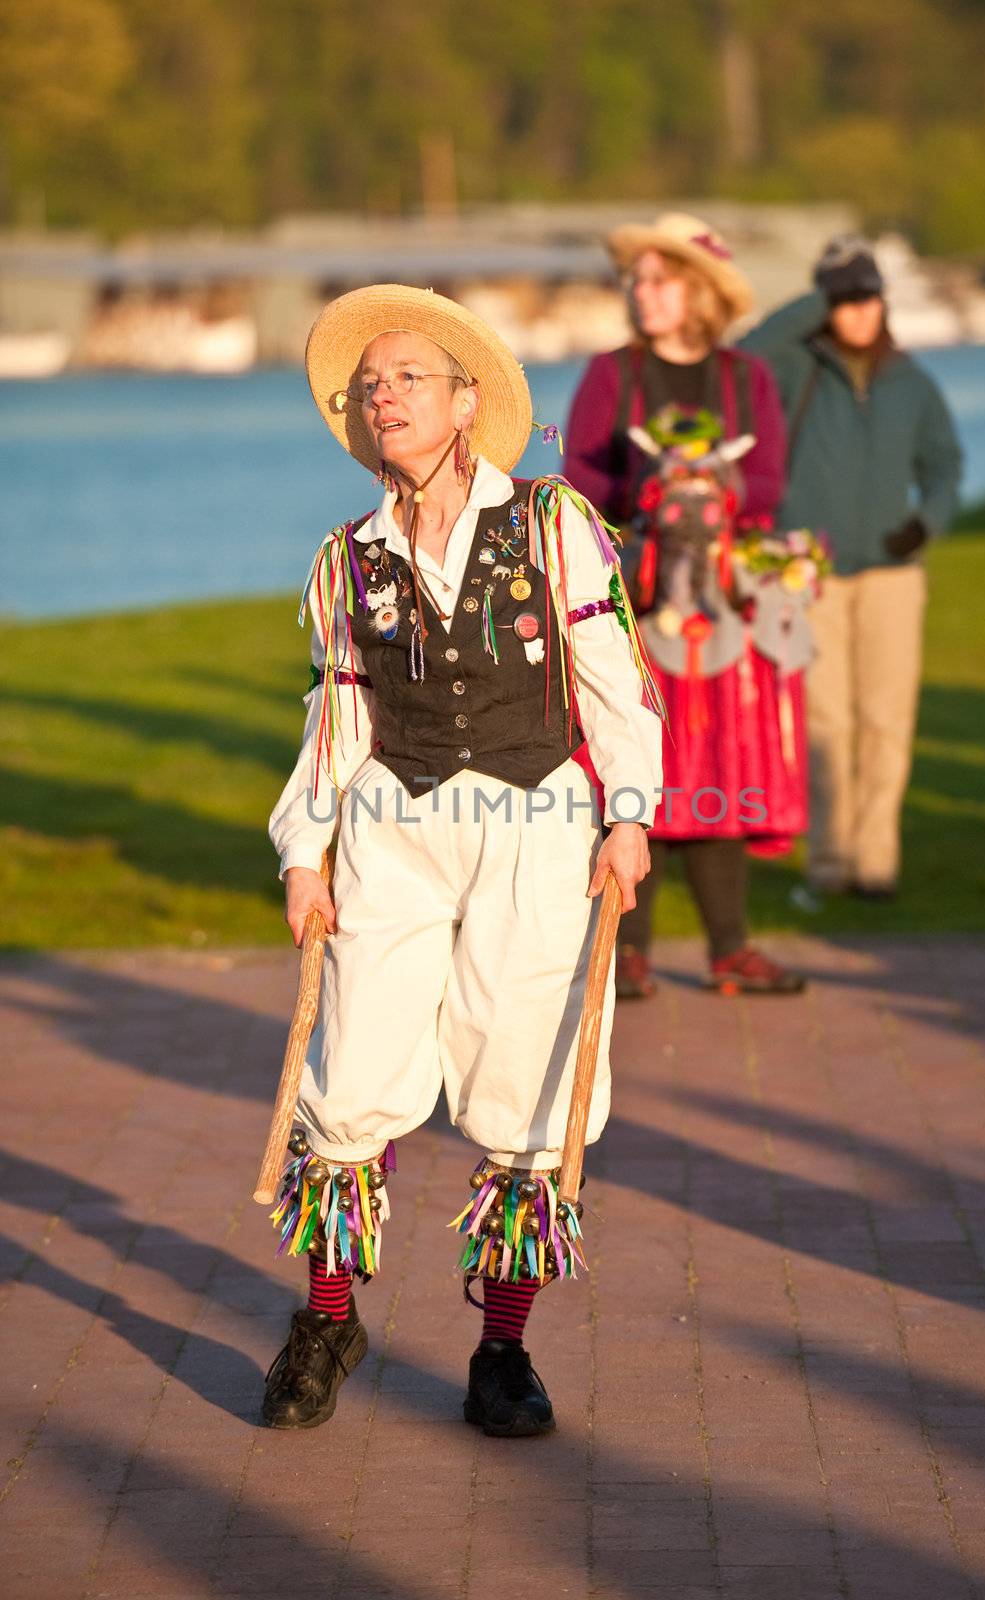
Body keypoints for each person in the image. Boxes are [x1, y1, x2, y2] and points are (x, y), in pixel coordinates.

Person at [262, 284, 663, 1437]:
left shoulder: (553, 523)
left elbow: (616, 684)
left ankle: (503, 1351)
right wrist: (308, 848)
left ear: (465, 402)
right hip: (392, 828)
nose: (383, 395)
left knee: (526, 1083)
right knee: (348, 1084)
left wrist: (627, 816)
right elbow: (336, 712)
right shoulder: (349, 558)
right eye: (369, 385)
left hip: (537, 825)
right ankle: (329, 1317)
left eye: (407, 378)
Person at [565, 212, 805, 998]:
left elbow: (768, 480)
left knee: (720, 763)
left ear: (698, 291)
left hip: (725, 601)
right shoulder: (611, 374)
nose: (641, 293)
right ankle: (627, 948)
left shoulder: (747, 379)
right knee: (636, 756)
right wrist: (649, 496)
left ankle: (728, 949)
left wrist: (717, 492)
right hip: (637, 591)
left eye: (657, 280)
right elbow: (581, 483)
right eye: (634, 281)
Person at [741, 236, 963, 901]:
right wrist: (821, 293)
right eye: (844, 300)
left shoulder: (911, 383)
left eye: (867, 297)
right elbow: (745, 353)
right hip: (812, 576)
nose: (858, 311)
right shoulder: (792, 370)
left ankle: (876, 864)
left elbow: (945, 468)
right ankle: (829, 863)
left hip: (894, 575)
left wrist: (925, 524)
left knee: (886, 719)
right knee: (824, 722)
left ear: (883, 304)